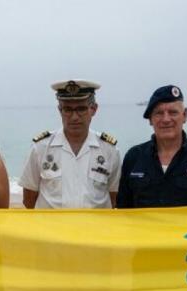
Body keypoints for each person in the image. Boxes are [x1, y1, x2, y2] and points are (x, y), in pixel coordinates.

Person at [117, 85, 187, 207]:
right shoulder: (133, 158)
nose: (166, 119)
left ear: (185, 115)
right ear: (150, 119)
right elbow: (123, 209)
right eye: (159, 113)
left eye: (173, 112)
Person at [19, 80, 121, 208]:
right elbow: (29, 199)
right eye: (67, 109)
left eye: (81, 109)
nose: (74, 117)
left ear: (93, 109)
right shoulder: (40, 148)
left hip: (95, 222)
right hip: (52, 222)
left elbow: (114, 196)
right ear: (59, 110)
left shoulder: (109, 150)